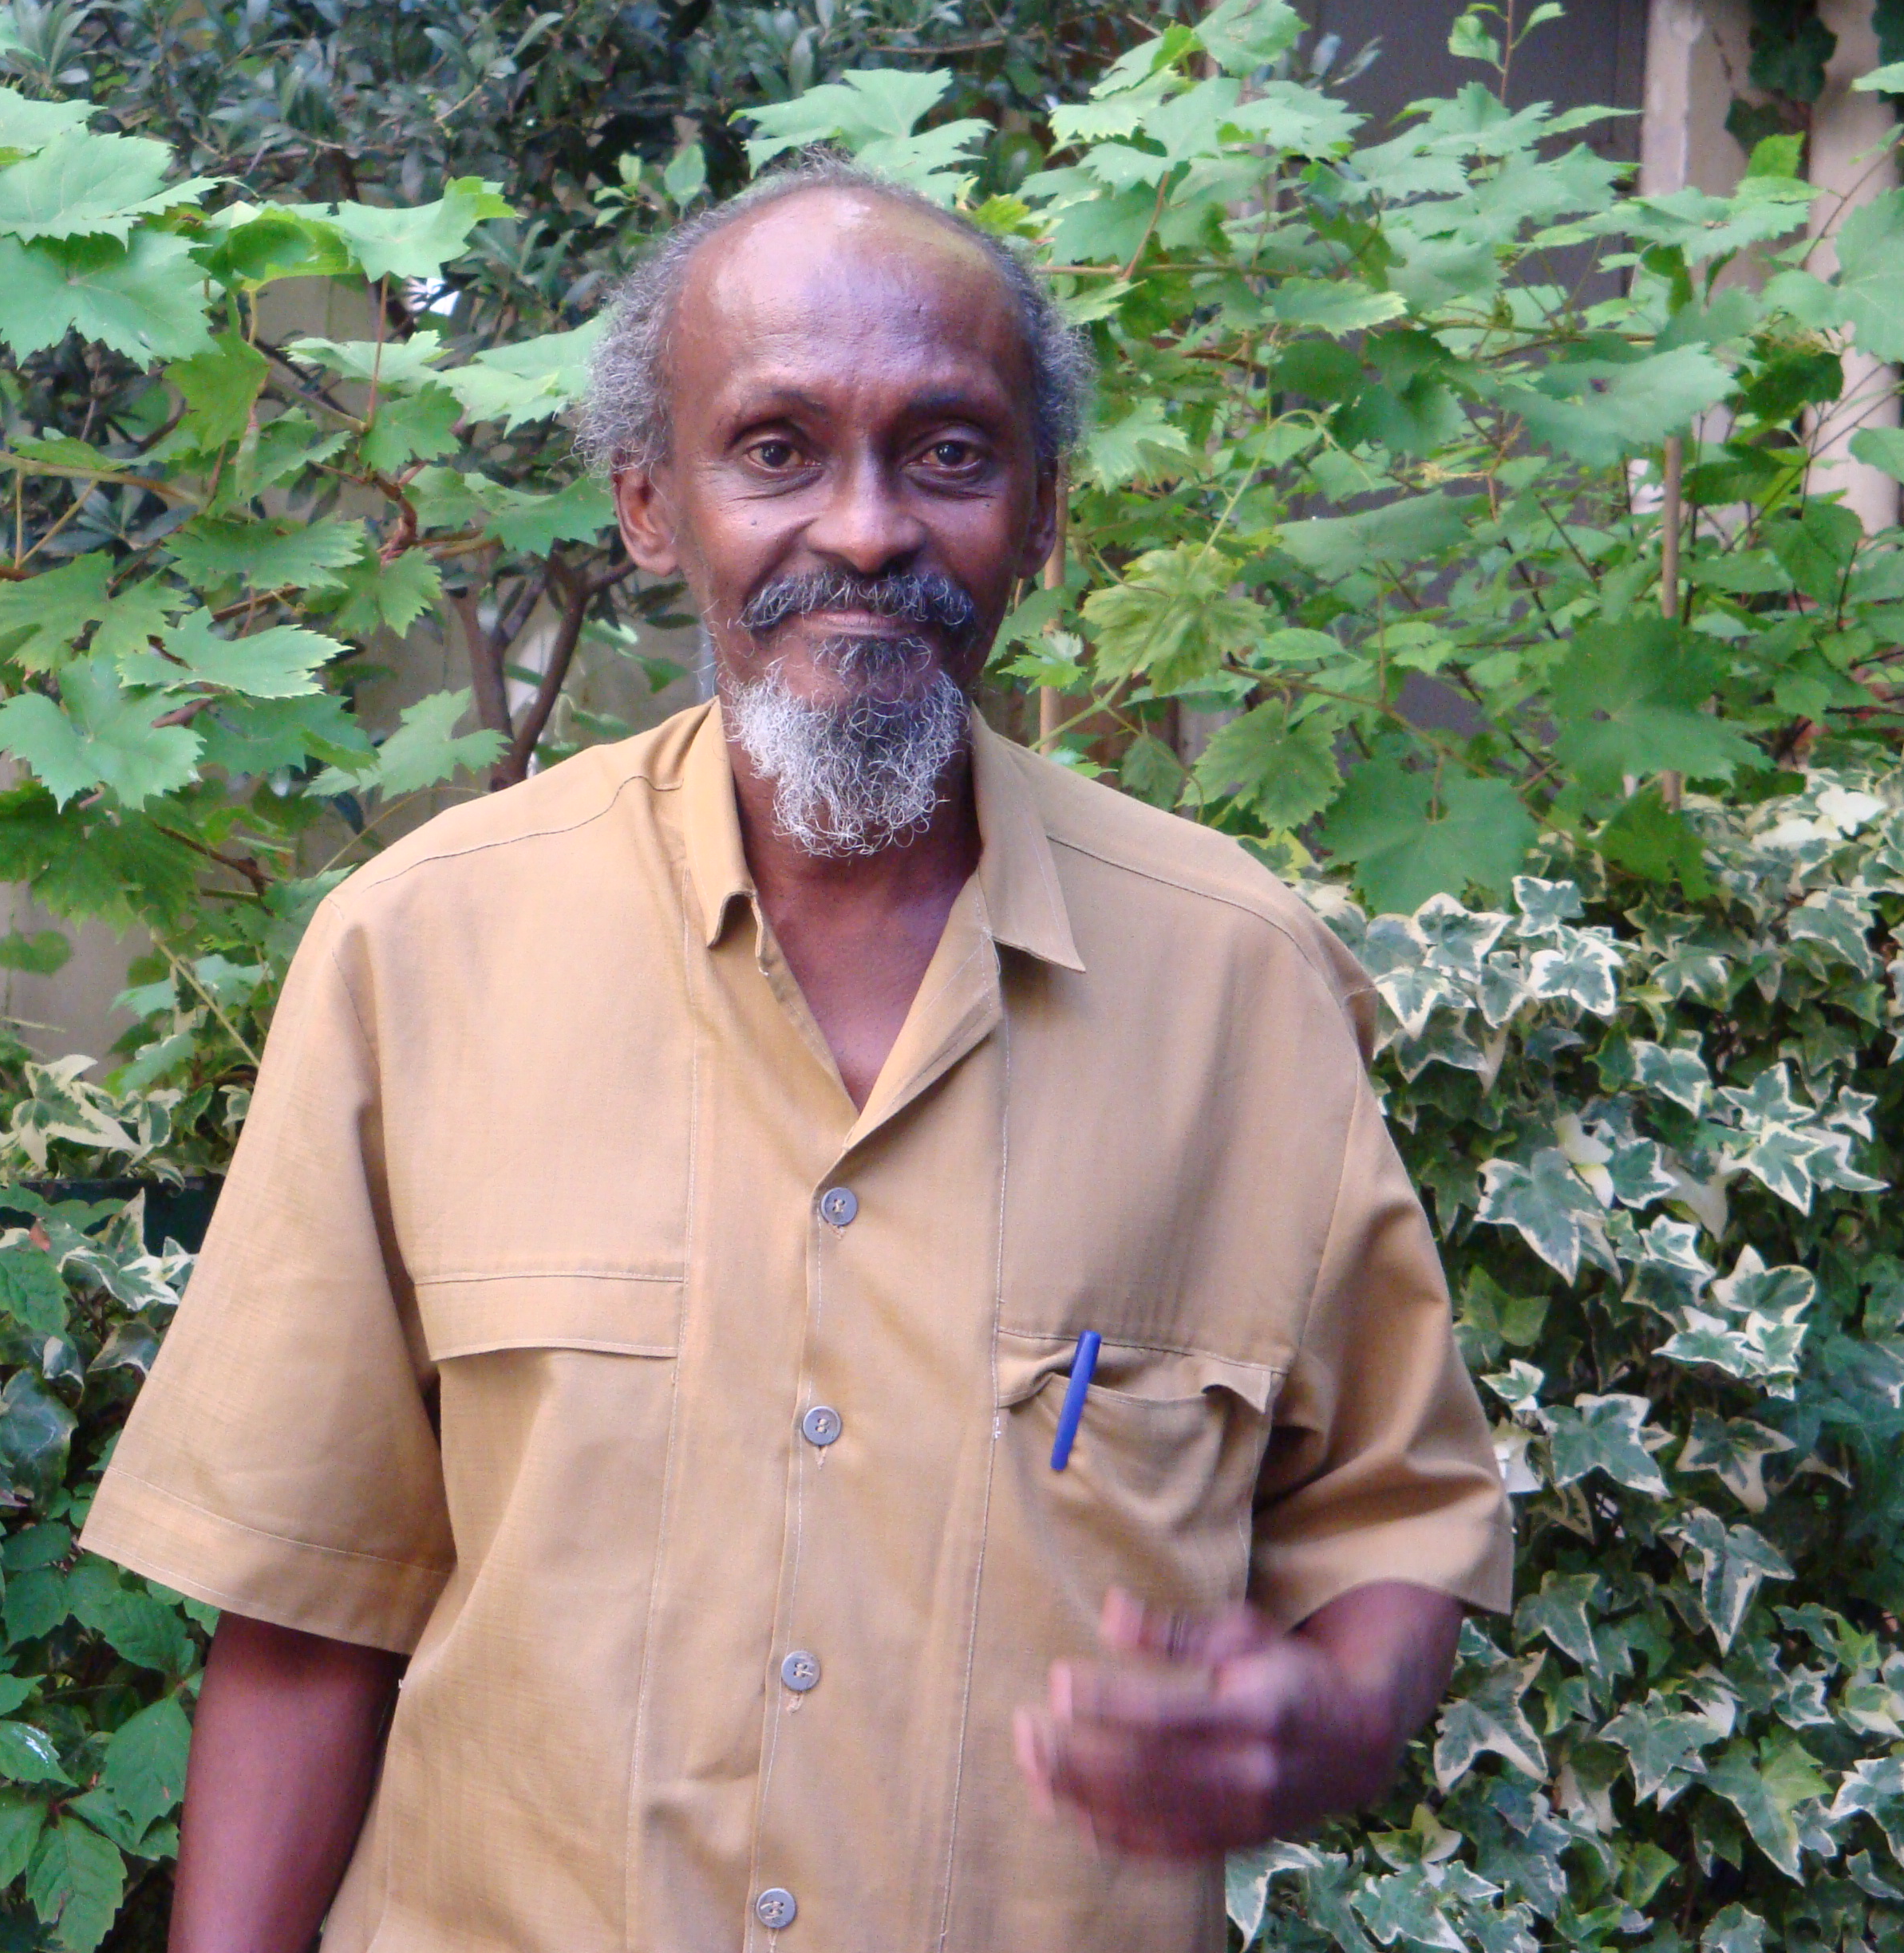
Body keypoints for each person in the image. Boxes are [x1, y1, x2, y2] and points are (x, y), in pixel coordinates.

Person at [79, 156, 1512, 1953]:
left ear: (1043, 517)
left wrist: (1339, 1716)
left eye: (950, 453)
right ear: (650, 506)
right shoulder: (419, 952)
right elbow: (306, 1624)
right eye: (776, 450)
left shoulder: (1240, 985)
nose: (867, 529)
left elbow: (1389, 1522)